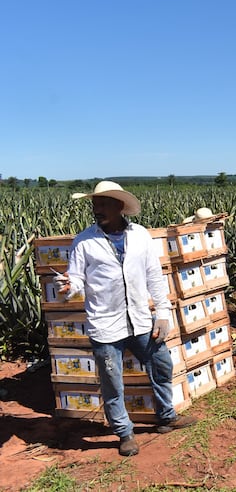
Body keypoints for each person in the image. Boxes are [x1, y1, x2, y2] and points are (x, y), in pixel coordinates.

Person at [56, 181, 197, 457]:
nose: (97, 209)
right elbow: (76, 280)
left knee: (161, 365)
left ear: (120, 206)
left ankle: (166, 416)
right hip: (106, 326)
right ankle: (124, 433)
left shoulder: (141, 236)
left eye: (104, 204)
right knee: (112, 382)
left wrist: (163, 314)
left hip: (141, 321)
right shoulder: (84, 241)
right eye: (95, 204)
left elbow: (154, 276)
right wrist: (68, 287)